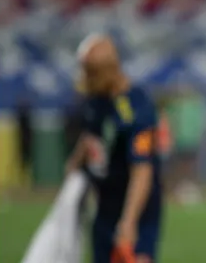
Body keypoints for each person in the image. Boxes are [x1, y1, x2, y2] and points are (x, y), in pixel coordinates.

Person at [65, 34, 163, 263]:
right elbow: (91, 135)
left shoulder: (138, 108)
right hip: (104, 208)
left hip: (136, 211)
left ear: (107, 71)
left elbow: (142, 171)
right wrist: (74, 164)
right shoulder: (97, 99)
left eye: (90, 72)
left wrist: (129, 223)